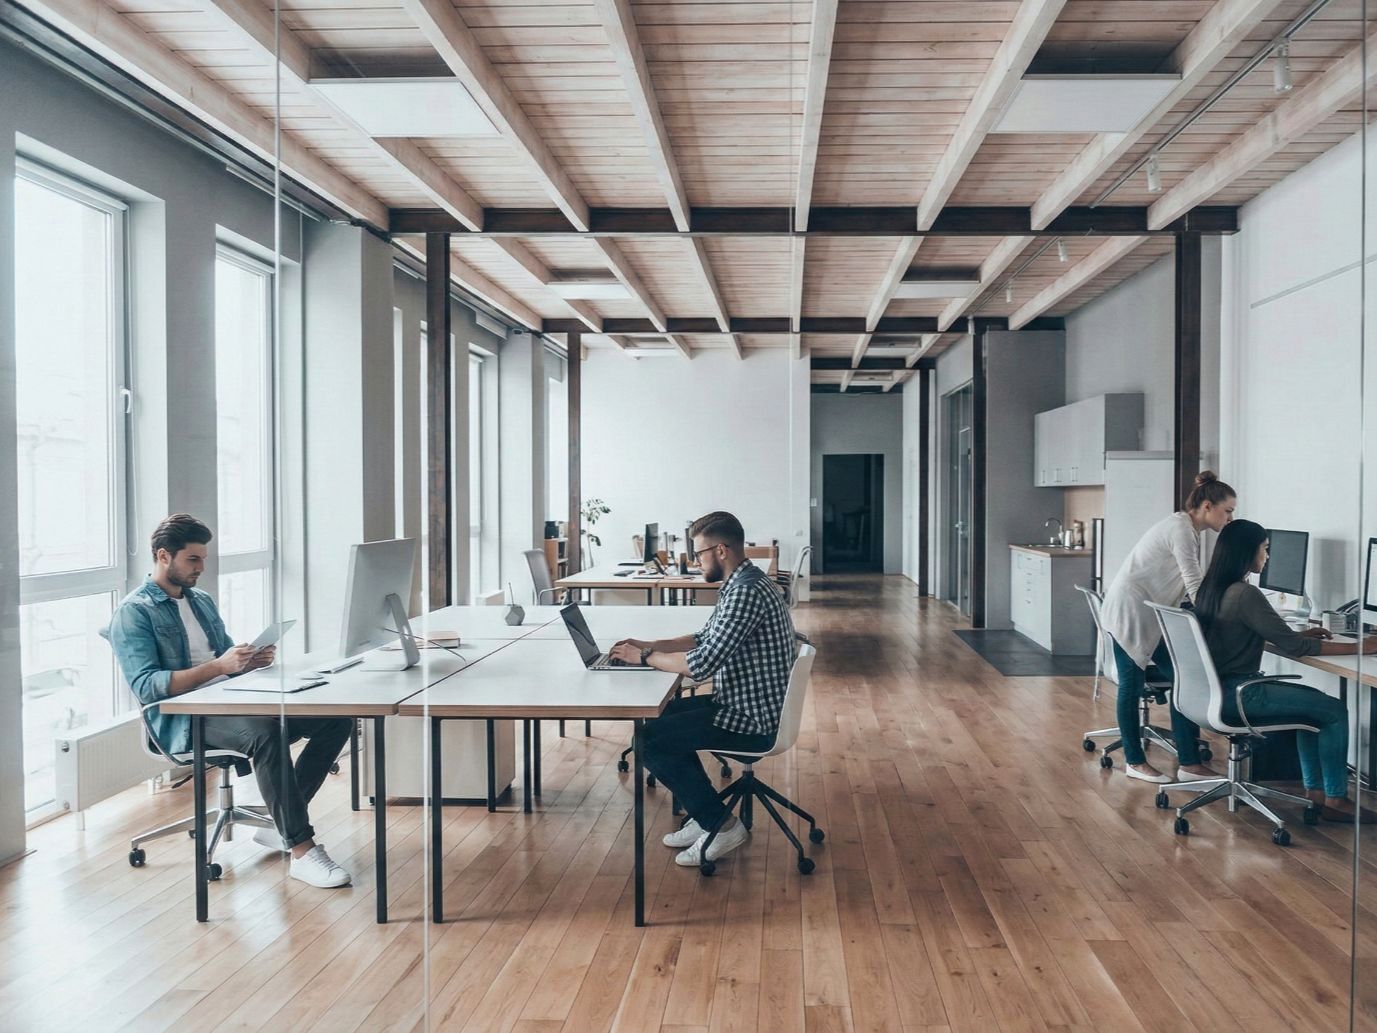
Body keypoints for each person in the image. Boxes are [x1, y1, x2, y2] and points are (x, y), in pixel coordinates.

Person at [106, 514, 353, 887]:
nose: (201, 568)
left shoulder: (200, 601)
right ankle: (301, 849)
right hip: (182, 718)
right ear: (163, 556)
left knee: (334, 720)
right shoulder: (134, 612)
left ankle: (281, 823)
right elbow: (146, 686)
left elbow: (224, 659)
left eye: (203, 558)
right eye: (193, 559)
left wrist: (248, 662)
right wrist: (218, 666)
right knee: (264, 734)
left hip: (228, 699)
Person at [610, 511, 798, 867]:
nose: (695, 562)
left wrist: (645, 656)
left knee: (649, 741)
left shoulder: (746, 592)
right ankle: (705, 813)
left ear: (722, 550)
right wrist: (649, 644)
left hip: (752, 719)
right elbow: (703, 638)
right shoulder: (742, 583)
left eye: (699, 554)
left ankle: (721, 825)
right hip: (741, 701)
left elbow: (701, 664)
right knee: (658, 720)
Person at [1195, 520, 1377, 821]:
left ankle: (1317, 795)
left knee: (1315, 709)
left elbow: (1282, 638)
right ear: (1247, 552)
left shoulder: (1212, 588)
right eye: (1265, 549)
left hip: (1213, 693)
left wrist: (1302, 634)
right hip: (1240, 693)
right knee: (1332, 710)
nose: (1267, 557)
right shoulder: (1245, 594)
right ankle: (1334, 799)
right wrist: (1364, 647)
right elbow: (1296, 649)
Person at [1099, 471, 1237, 783]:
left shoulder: (1188, 528)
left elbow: (1187, 585)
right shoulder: (1181, 529)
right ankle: (1135, 761)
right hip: (1131, 611)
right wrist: (1224, 612)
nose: (1229, 518)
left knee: (1183, 681)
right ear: (1206, 506)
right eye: (1227, 511)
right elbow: (1193, 581)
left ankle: (1189, 762)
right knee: (1131, 686)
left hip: (1150, 612)